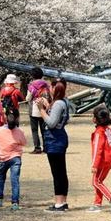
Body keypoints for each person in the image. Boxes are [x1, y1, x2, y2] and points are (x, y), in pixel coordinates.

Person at [38, 81, 70, 212]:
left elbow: (51, 123)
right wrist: (47, 106)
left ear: (55, 89)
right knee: (61, 172)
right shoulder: (64, 102)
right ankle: (63, 201)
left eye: (51, 87)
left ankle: (59, 203)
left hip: (55, 140)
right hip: (60, 138)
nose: (49, 89)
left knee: (57, 173)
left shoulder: (58, 104)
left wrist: (41, 110)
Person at [0, 108, 26, 211]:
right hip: (15, 158)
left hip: (3, 158)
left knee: (0, 178)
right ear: (17, 118)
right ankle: (15, 203)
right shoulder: (19, 131)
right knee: (15, 180)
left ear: (5, 118)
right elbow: (24, 142)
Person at [89, 105, 111, 214]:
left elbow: (98, 150)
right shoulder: (108, 130)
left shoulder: (99, 132)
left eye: (93, 116)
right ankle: (97, 204)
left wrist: (94, 165)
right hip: (109, 159)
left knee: (95, 182)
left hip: (103, 161)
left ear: (97, 119)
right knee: (99, 181)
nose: (92, 117)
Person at [27, 67, 51, 154]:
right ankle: (46, 147)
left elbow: (28, 98)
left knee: (34, 130)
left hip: (34, 109)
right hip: (44, 109)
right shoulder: (46, 85)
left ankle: (37, 148)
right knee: (44, 129)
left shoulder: (31, 85)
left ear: (32, 76)